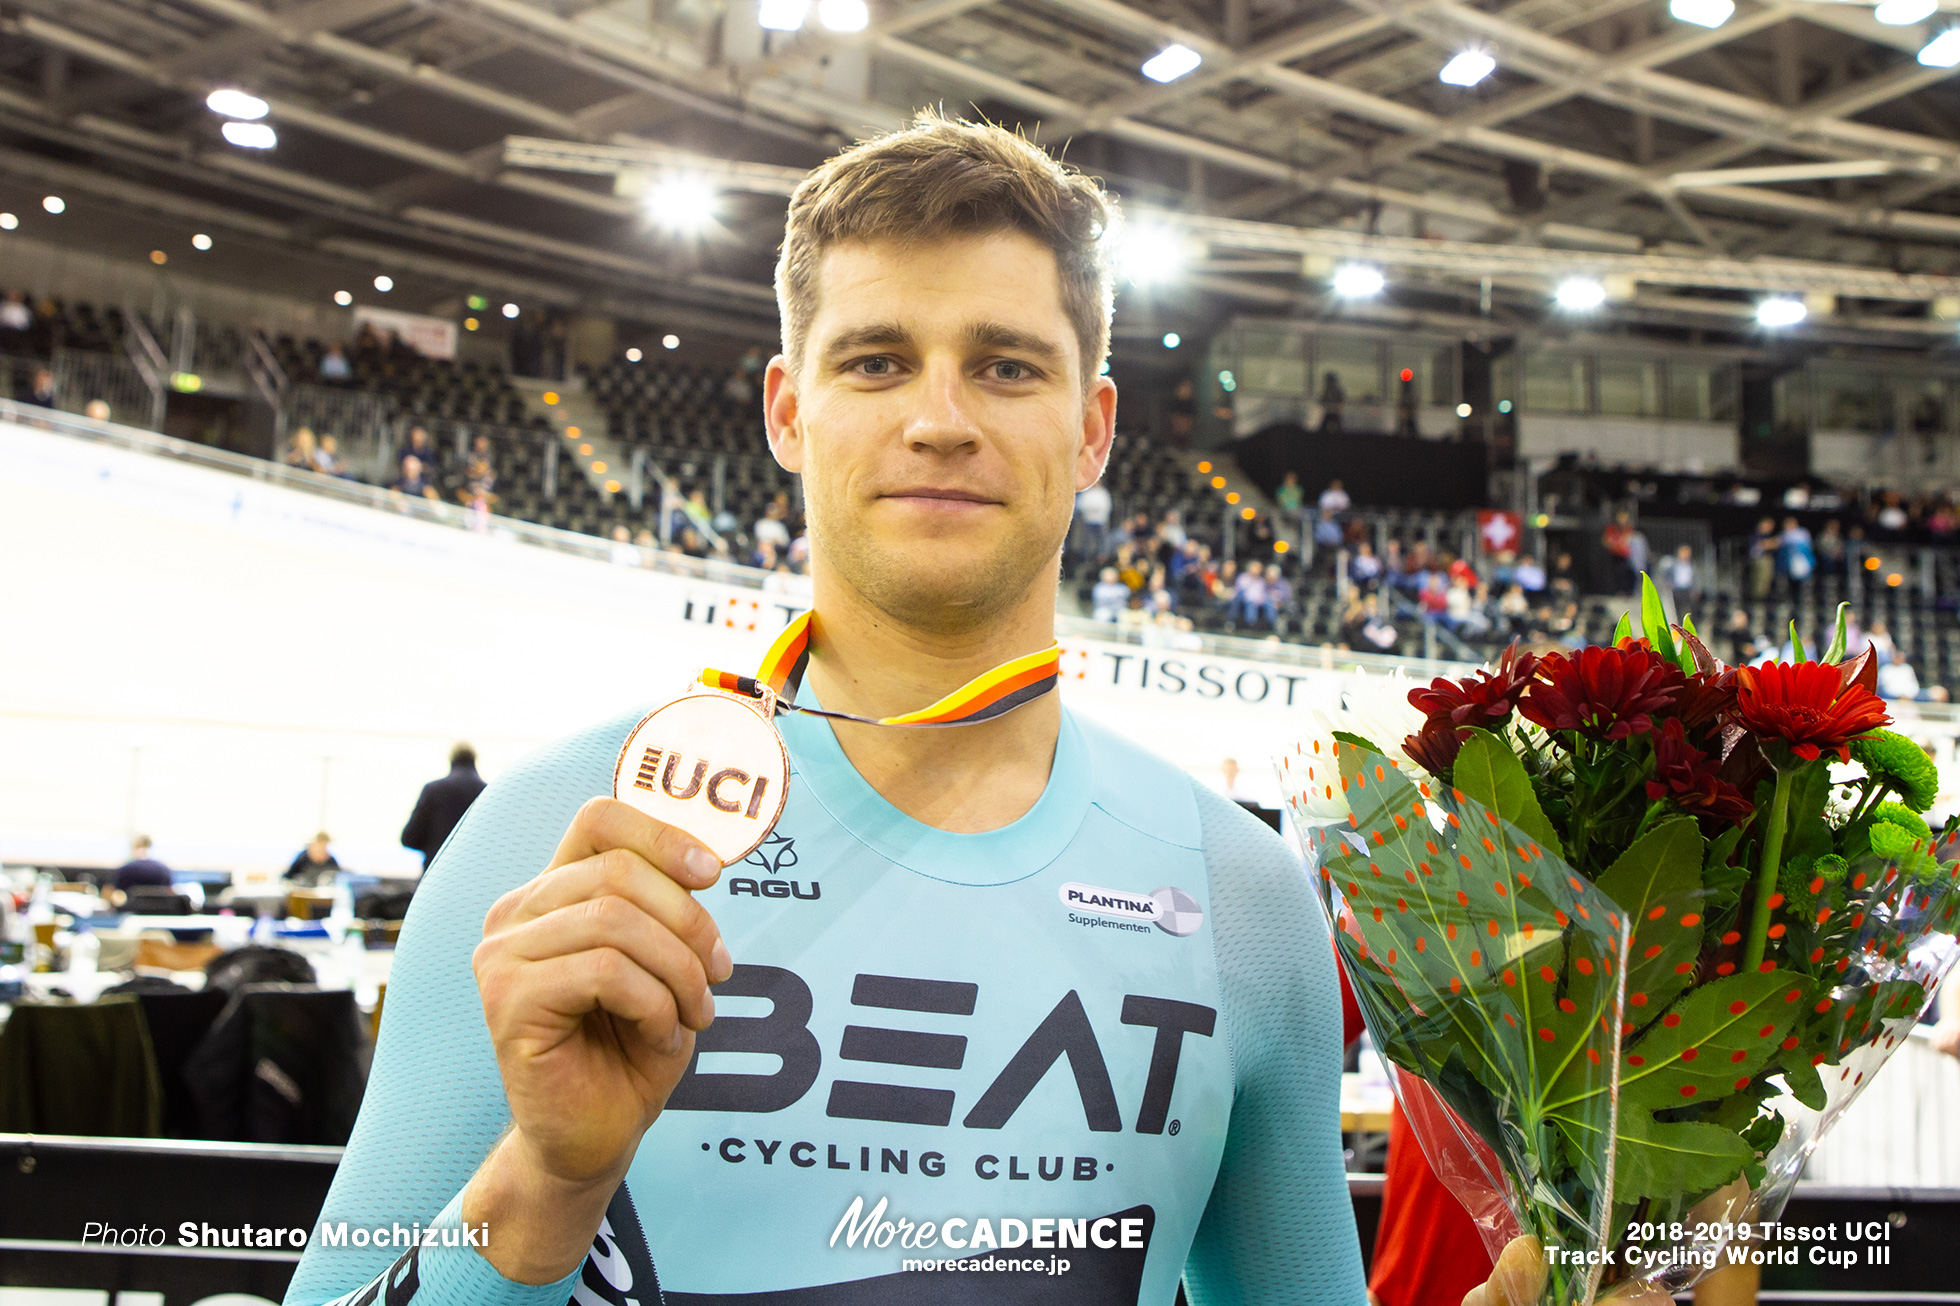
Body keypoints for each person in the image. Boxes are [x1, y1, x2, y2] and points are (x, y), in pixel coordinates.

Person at [290, 111, 1414, 1306]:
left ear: (1092, 428)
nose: (940, 416)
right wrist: (547, 1186)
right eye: (876, 360)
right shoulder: (559, 837)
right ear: (786, 410)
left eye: (1007, 364)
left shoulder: (1241, 899)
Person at [398, 743, 487, 870]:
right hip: (473, 875)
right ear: (474, 760)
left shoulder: (433, 790)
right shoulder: (487, 792)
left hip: (437, 877)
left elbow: (409, 838)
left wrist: (434, 846)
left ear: (451, 760)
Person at [1317, 370, 1345, 435]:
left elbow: (1341, 401)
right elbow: (1323, 400)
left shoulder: (1337, 391)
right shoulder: (1327, 390)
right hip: (1329, 412)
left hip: (1335, 413)